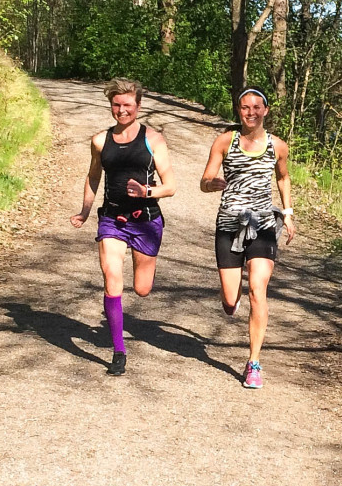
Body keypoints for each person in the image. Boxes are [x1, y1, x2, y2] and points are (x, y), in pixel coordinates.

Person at [71, 78, 176, 376]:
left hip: (146, 220)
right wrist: (84, 211)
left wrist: (147, 191)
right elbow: (93, 177)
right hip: (112, 218)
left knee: (142, 289)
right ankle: (119, 352)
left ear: (138, 106)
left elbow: (171, 186)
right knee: (111, 277)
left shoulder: (153, 140)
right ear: (111, 106)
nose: (121, 110)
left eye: (127, 105)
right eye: (116, 105)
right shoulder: (100, 141)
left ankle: (140, 274)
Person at [200, 88, 295, 389]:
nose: (250, 112)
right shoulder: (225, 141)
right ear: (239, 110)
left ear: (265, 110)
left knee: (258, 289)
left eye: (256, 107)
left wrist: (287, 213)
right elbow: (204, 181)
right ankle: (232, 300)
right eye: (244, 108)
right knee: (230, 302)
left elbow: (283, 177)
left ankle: (253, 362)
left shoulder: (277, 146)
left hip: (263, 225)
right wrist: (213, 184)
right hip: (229, 224)